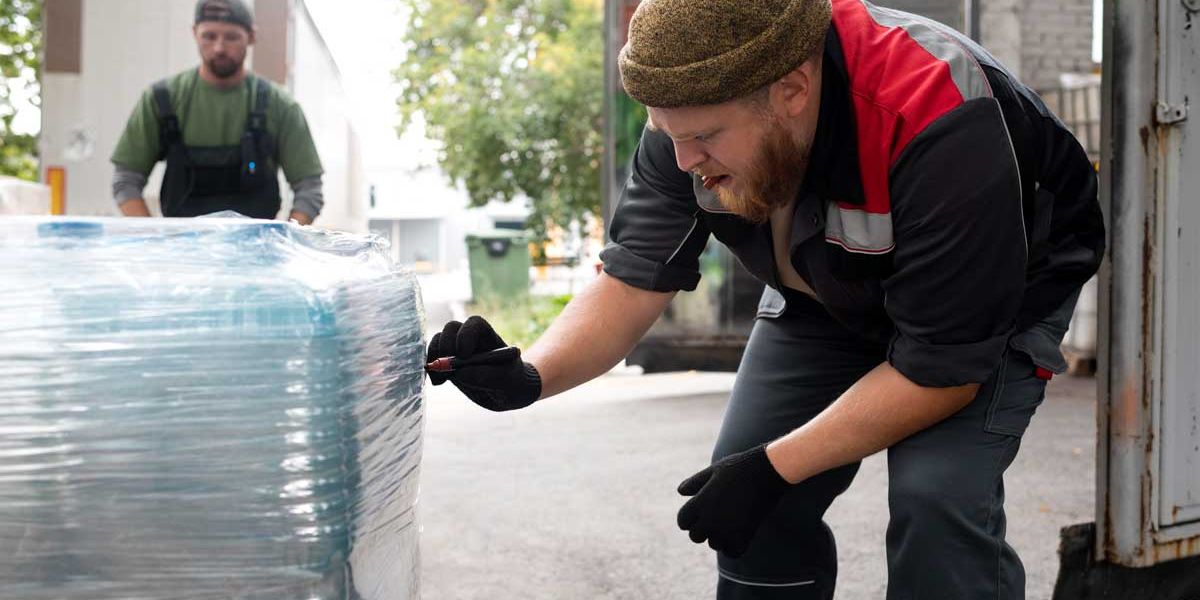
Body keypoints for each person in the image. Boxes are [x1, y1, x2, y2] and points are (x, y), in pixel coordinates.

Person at [426, 0, 1106, 597]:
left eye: (703, 138)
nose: (685, 161)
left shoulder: (936, 113)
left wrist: (778, 467)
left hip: (991, 302)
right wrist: (531, 375)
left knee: (936, 501)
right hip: (827, 295)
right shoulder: (686, 120)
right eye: (669, 135)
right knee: (748, 505)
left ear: (793, 88)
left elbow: (943, 367)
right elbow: (633, 280)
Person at [110, 0, 324, 225]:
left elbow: (309, 188)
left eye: (231, 37)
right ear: (194, 33)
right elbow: (126, 180)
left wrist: (284, 240)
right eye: (209, 36)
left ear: (251, 36)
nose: (219, 48)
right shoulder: (161, 100)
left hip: (257, 254)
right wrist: (153, 239)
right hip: (181, 254)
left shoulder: (280, 107)